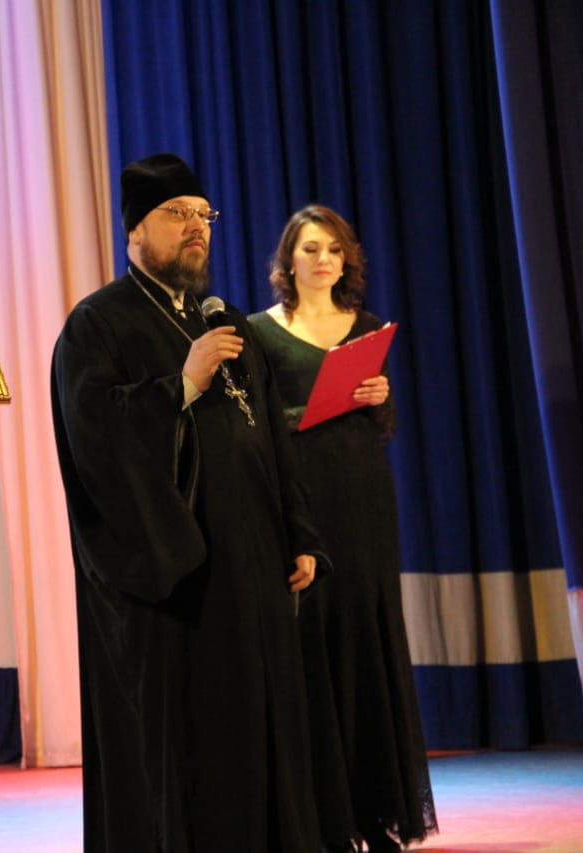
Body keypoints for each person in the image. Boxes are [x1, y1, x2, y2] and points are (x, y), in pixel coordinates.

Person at [50, 153, 329, 852]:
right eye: (177, 214)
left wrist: (299, 532)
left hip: (256, 568)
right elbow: (95, 438)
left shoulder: (226, 320)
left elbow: (271, 439)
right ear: (134, 230)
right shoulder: (97, 324)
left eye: (204, 215)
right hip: (177, 583)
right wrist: (180, 385)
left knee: (265, 730)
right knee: (194, 748)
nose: (196, 227)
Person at [249, 205, 437, 853]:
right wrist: (306, 410)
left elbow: (382, 428)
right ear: (288, 259)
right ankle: (323, 820)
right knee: (312, 647)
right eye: (310, 248)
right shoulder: (260, 332)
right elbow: (255, 425)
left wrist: (380, 399)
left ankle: (374, 813)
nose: (323, 259)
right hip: (301, 501)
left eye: (333, 249)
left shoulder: (366, 327)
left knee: (367, 640)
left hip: (363, 499)